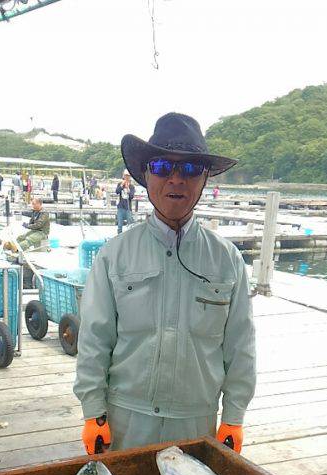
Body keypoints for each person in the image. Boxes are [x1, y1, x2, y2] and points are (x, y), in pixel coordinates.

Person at [74, 112, 256, 456]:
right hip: (125, 420)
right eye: (161, 167)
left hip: (196, 424)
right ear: (146, 175)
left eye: (189, 169)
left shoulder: (227, 259)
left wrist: (234, 417)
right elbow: (94, 340)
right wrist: (93, 411)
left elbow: (240, 346)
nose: (176, 179)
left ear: (204, 180)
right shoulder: (114, 255)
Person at [115, 169, 135, 233]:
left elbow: (131, 196)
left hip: (128, 208)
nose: (127, 177)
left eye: (128, 176)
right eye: (125, 176)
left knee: (130, 225)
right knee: (120, 225)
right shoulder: (120, 184)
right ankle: (119, 238)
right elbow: (117, 192)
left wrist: (128, 188)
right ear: (123, 176)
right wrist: (122, 186)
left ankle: (129, 239)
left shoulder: (132, 186)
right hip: (121, 207)